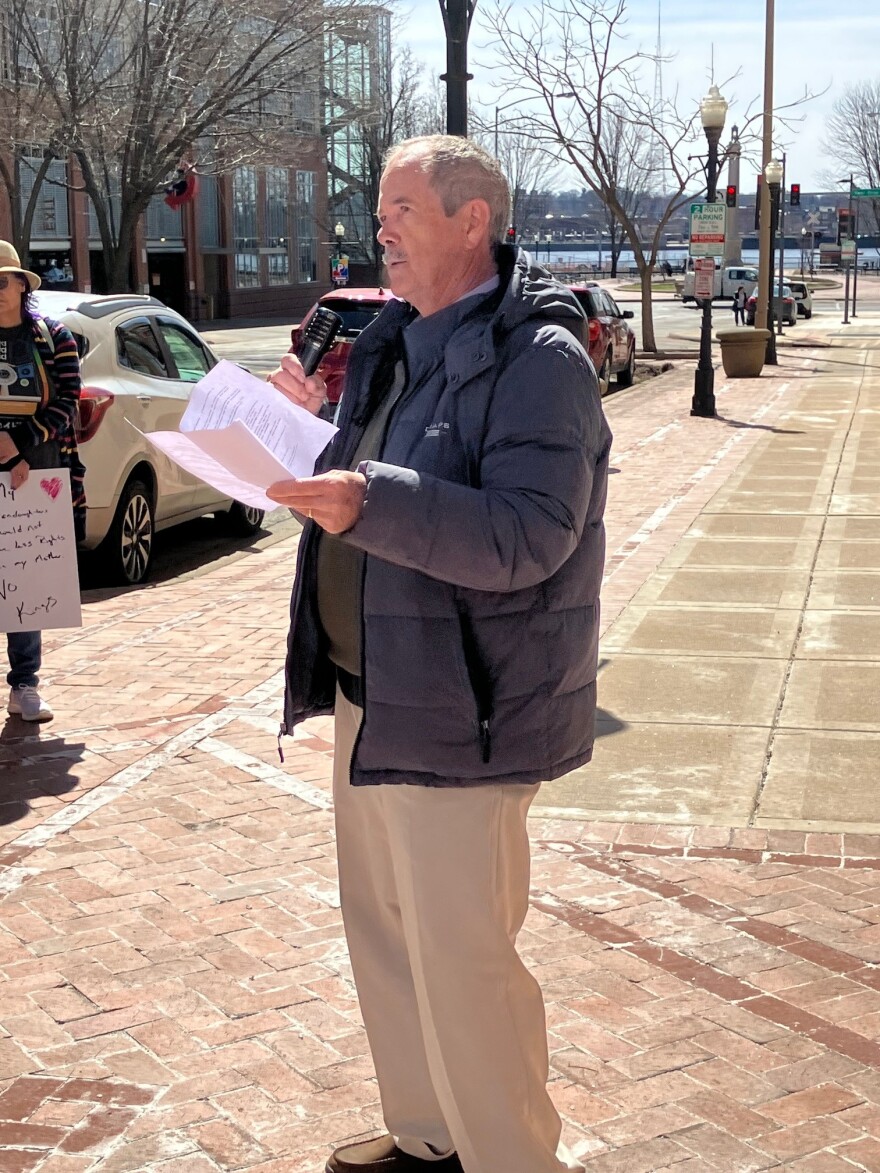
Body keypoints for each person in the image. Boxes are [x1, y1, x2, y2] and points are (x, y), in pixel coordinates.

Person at [268, 136, 611, 1173]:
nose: (381, 230)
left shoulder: (539, 359)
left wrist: (370, 498)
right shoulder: (394, 340)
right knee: (383, 935)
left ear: (473, 222)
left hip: (466, 709)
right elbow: (364, 480)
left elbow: (527, 535)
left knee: (464, 964)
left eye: (402, 210)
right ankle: (427, 1137)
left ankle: (510, 1158)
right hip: (371, 692)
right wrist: (301, 433)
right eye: (380, 212)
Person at [0, 241, 85, 722]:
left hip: (40, 465)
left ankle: (24, 683)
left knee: (25, 578)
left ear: (20, 285)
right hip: (10, 459)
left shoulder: (54, 337)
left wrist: (21, 443)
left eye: (1, 281)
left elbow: (69, 398)